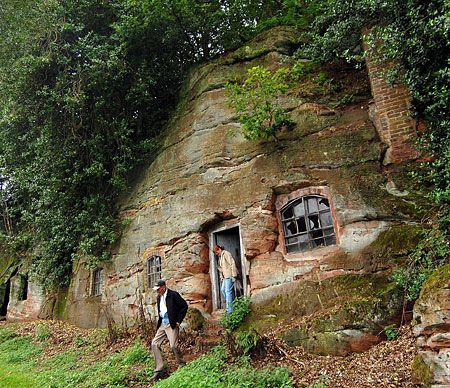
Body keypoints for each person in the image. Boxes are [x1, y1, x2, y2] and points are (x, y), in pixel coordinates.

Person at [151, 279, 188, 381]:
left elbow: (184, 306)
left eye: (158, 289)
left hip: (171, 324)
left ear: (163, 287)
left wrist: (178, 321)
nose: (157, 291)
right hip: (163, 323)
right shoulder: (159, 297)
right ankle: (159, 369)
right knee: (154, 343)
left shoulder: (173, 295)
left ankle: (182, 364)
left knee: (173, 346)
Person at [213, 244, 238, 313]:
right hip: (225, 277)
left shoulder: (226, 253)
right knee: (223, 290)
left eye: (216, 252)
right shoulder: (220, 257)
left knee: (228, 292)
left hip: (229, 275)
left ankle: (230, 311)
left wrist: (234, 275)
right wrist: (221, 276)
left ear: (219, 249)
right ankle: (232, 305)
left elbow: (232, 263)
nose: (216, 254)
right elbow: (221, 268)